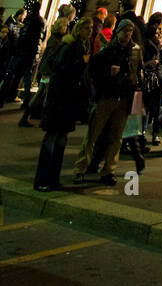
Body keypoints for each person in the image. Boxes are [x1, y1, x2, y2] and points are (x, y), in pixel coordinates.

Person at [73, 18, 141, 186]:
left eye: (130, 31)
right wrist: (107, 73)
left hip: (124, 97)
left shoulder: (135, 51)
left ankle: (109, 170)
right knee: (93, 134)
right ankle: (81, 168)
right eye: (125, 30)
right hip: (107, 96)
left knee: (116, 137)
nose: (127, 34)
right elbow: (94, 73)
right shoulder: (107, 51)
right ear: (118, 32)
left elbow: (138, 72)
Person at [33, 16, 94, 192]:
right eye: (86, 28)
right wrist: (81, 63)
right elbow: (61, 70)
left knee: (60, 141)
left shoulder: (81, 46)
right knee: (52, 139)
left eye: (90, 29)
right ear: (79, 30)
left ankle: (52, 178)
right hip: (59, 99)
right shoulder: (69, 47)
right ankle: (43, 179)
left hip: (67, 101)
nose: (89, 32)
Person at [27, 15, 70, 122]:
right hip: (49, 71)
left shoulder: (54, 37)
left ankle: (27, 115)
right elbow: (51, 56)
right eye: (66, 26)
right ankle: (42, 117)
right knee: (46, 95)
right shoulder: (57, 40)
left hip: (46, 69)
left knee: (41, 93)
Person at [5, 8, 47, 119]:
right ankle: (25, 101)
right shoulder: (37, 25)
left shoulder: (27, 24)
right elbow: (36, 42)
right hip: (27, 56)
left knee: (13, 74)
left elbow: (21, 39)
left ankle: (8, 95)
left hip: (21, 54)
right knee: (25, 79)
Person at [142, 19, 162, 145]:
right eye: (159, 29)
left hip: (160, 78)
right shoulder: (149, 43)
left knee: (156, 108)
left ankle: (155, 133)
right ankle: (142, 131)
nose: (160, 31)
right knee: (146, 107)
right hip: (150, 77)